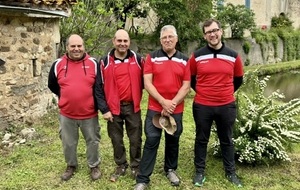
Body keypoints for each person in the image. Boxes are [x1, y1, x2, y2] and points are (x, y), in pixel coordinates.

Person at [188, 18, 244, 187]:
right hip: (203, 105)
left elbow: (238, 80)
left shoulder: (234, 56)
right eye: (208, 32)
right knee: (201, 139)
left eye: (214, 30)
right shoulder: (196, 56)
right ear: (205, 36)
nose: (212, 34)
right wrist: (205, 92)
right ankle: (199, 172)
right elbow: (191, 79)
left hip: (226, 105)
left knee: (226, 139)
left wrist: (224, 93)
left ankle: (231, 172)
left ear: (221, 31)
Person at [134, 25, 190, 190]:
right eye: (164, 38)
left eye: (170, 37)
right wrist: (163, 102)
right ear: (160, 40)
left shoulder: (185, 60)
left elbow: (186, 86)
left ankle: (170, 169)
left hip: (176, 109)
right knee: (152, 140)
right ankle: (143, 178)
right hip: (155, 108)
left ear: (176, 39)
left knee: (173, 140)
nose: (167, 40)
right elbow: (147, 83)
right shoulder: (152, 58)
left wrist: (171, 104)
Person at [48, 34, 107, 181]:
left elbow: (99, 87)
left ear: (84, 47)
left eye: (79, 46)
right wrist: (68, 97)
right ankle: (71, 165)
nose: (76, 49)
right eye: (73, 46)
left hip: (89, 113)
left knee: (93, 141)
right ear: (67, 47)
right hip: (67, 114)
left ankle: (94, 166)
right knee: (68, 142)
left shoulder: (94, 63)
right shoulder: (57, 64)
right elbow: (52, 85)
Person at [95, 29, 144, 182]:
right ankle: (121, 164)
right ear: (113, 41)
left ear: (129, 42)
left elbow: (147, 80)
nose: (122, 44)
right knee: (116, 138)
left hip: (132, 106)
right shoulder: (104, 62)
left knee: (135, 138)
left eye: (125, 41)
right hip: (113, 109)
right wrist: (104, 109)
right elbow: (98, 88)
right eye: (119, 41)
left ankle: (136, 165)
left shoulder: (138, 59)